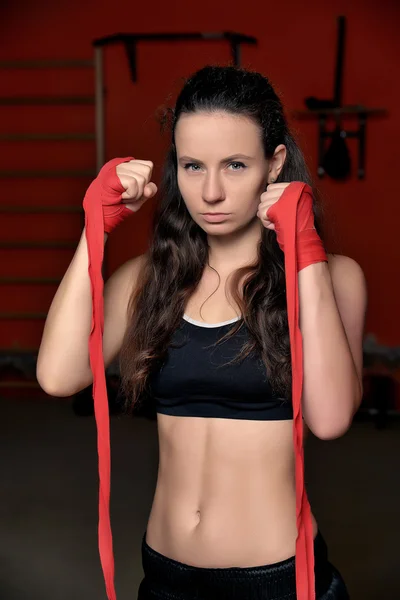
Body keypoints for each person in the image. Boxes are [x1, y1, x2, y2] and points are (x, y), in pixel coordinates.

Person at [36, 65, 367, 600]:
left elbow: (329, 420)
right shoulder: (149, 279)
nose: (210, 191)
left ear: (274, 164)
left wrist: (304, 251)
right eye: (192, 166)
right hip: (164, 575)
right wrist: (93, 229)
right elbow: (56, 376)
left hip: (277, 581)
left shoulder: (334, 277)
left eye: (235, 165)